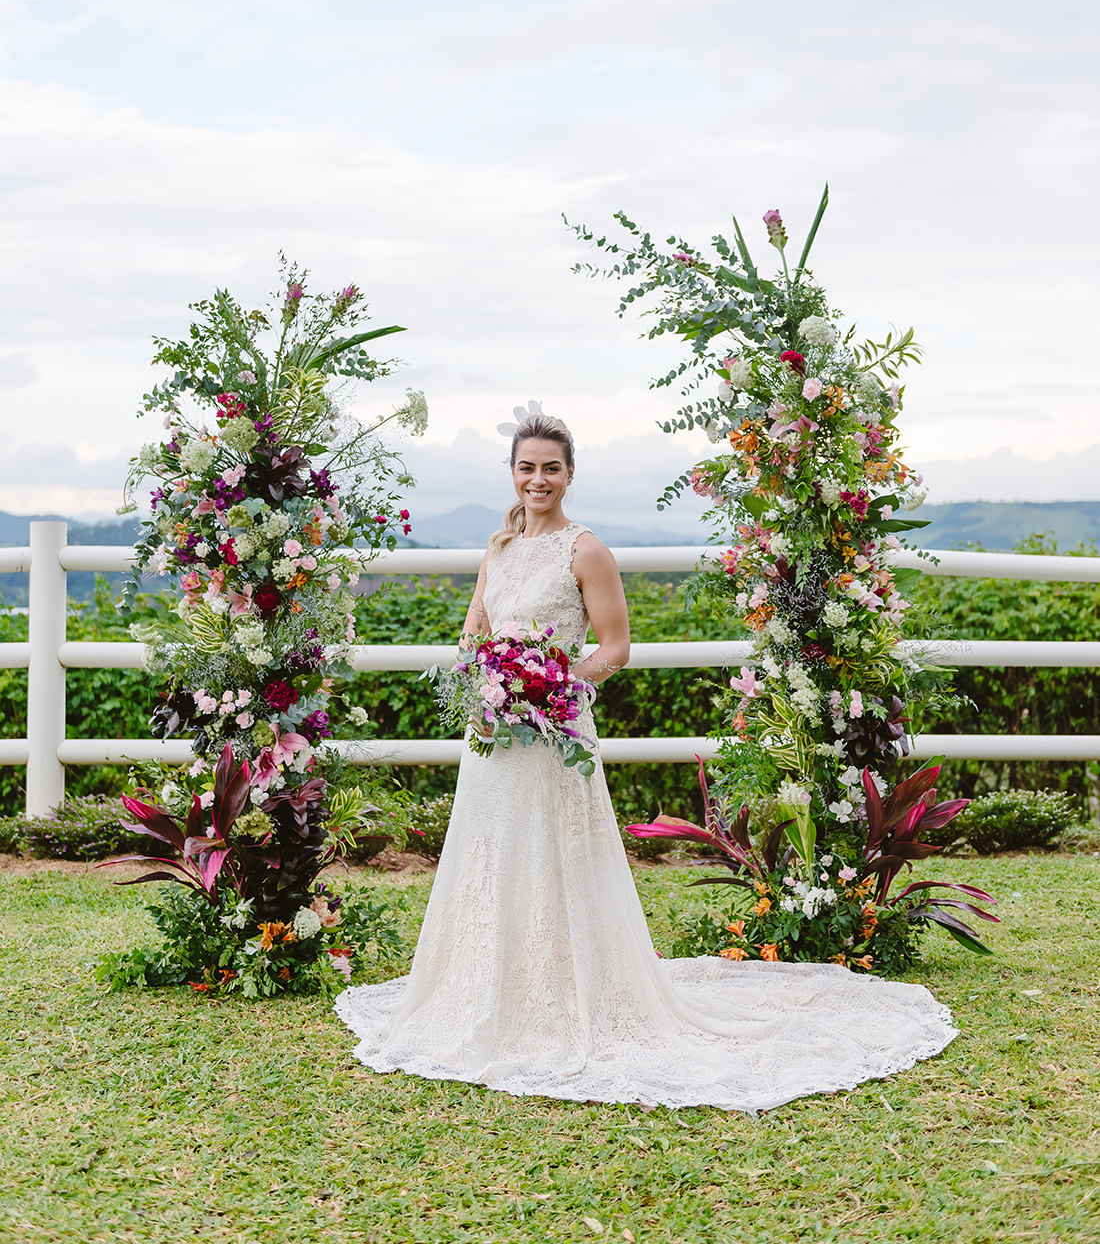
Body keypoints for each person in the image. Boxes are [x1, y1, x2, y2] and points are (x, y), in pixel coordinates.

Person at [335, 408, 957, 1111]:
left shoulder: (585, 550)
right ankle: (485, 988)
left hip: (556, 730)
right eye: (527, 467)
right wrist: (485, 684)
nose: (538, 478)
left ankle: (570, 994)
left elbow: (614, 648)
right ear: (512, 473)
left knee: (558, 855)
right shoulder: (497, 547)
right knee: (492, 852)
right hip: (494, 739)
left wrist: (552, 688)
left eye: (551, 467)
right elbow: (475, 631)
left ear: (569, 475)